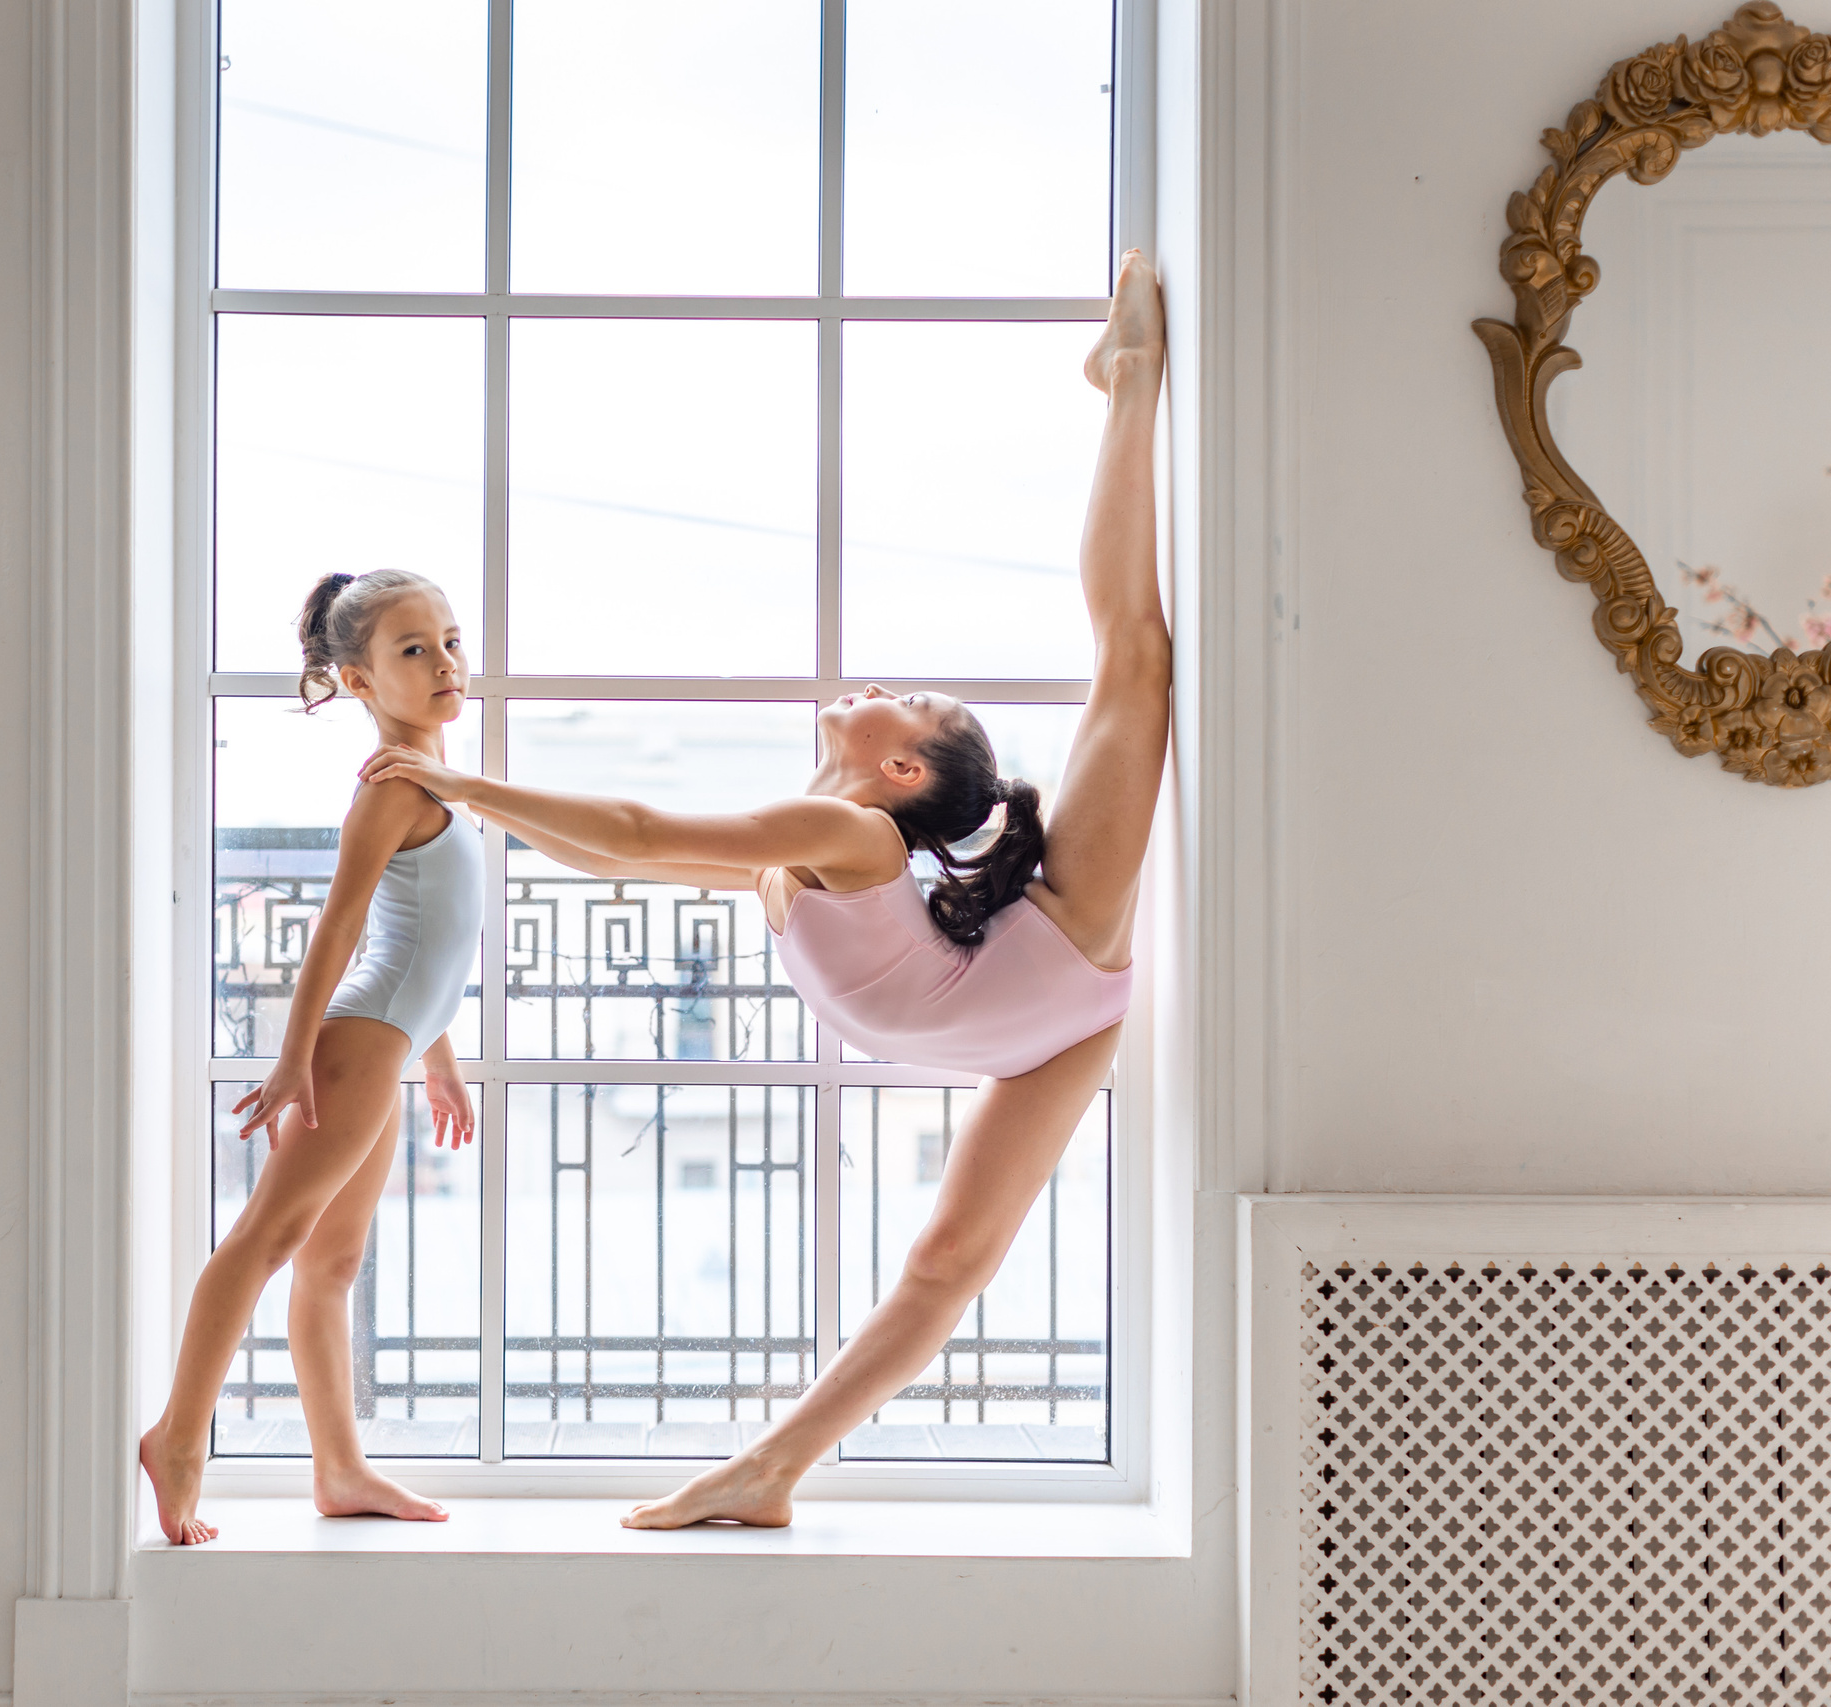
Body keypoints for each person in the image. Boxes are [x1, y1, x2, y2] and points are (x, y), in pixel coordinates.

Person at [362, 250, 1169, 1528]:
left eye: (911, 700)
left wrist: (467, 785)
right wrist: (457, 792)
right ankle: (767, 1472)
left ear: (902, 769)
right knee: (946, 1263)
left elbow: (635, 828)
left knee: (1135, 659)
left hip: (1063, 966)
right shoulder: (804, 858)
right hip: (1027, 1014)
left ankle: (1128, 381)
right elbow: (614, 854)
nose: (881, 681)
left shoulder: (840, 834)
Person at [140, 569, 483, 1544]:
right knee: (267, 1238)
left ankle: (339, 1470)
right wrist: (293, 1059)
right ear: (359, 681)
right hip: (357, 1041)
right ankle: (178, 1440)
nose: (444, 662)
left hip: (393, 1037)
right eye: (413, 650)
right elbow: (338, 930)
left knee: (332, 1261)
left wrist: (440, 1057)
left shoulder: (436, 778)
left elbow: (419, 935)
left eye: (450, 640)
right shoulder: (393, 788)